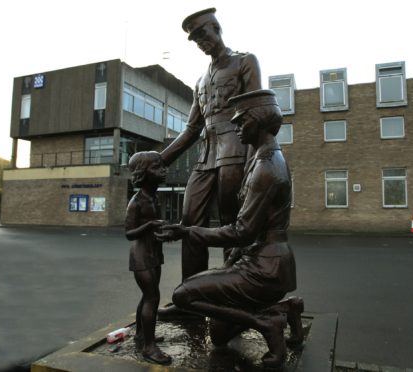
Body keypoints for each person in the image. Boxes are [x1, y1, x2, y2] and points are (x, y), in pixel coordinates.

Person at [157, 90, 303, 369]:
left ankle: (267, 324)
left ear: (257, 121)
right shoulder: (264, 159)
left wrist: (187, 231)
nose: (234, 127)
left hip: (264, 269)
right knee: (220, 334)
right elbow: (250, 230)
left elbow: (242, 231)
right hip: (268, 261)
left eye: (240, 121)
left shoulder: (266, 168)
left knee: (182, 296)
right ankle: (286, 309)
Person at [158, 8, 262, 282]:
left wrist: (254, 160)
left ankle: (233, 290)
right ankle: (191, 293)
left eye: (202, 34)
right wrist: (161, 160)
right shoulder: (200, 81)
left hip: (237, 152)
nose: (200, 42)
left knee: (233, 223)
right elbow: (193, 128)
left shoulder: (245, 62)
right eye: (195, 39)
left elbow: (254, 113)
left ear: (216, 28)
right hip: (206, 158)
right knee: (190, 220)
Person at [125, 151, 171, 365]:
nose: (163, 170)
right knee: (152, 297)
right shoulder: (136, 202)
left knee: (147, 296)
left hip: (154, 252)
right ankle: (149, 347)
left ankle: (141, 334)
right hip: (141, 255)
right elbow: (129, 233)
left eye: (162, 165)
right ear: (143, 174)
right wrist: (150, 226)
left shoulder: (153, 196)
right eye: (156, 167)